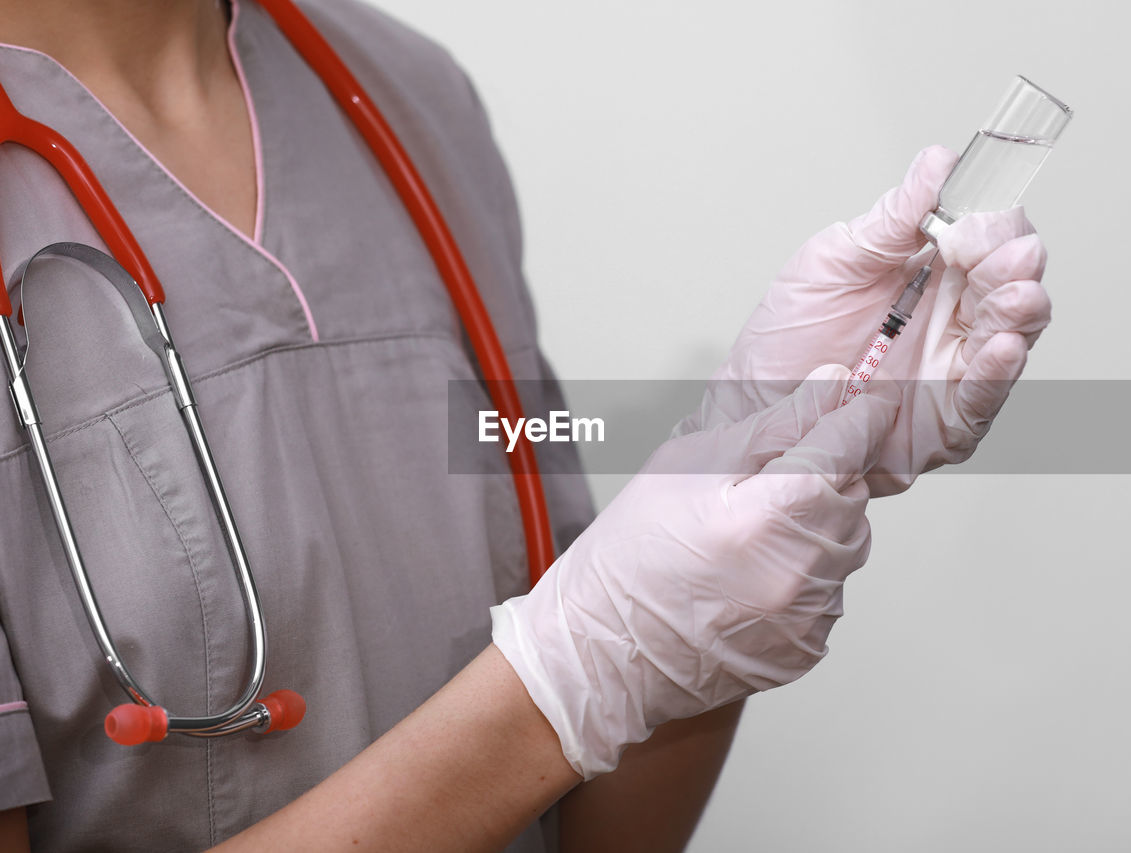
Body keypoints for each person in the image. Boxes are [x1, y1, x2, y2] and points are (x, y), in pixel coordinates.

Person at [0, 1, 1051, 851]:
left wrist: (751, 464)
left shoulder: (405, 94)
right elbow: (565, 683)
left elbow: (587, 818)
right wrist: (572, 669)